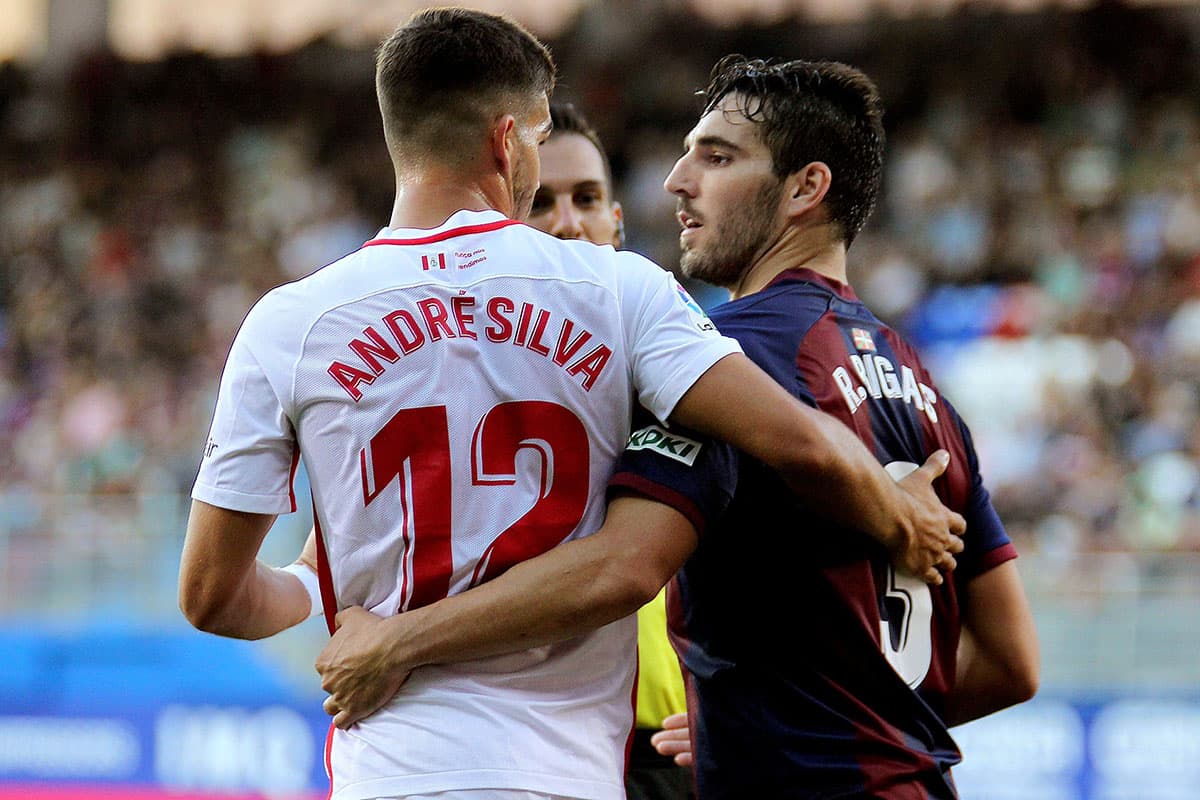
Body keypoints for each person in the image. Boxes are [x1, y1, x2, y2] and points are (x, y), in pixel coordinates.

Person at [178, 9, 965, 799]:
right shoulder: (617, 292)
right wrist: (902, 516)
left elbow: (212, 597)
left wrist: (321, 590)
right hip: (565, 772)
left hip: (392, 771)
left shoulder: (291, 322)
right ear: (508, 139)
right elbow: (799, 442)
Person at [528, 101, 692, 800]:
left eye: (586, 199)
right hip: (525, 740)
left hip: (663, 745)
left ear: (616, 222)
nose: (568, 221)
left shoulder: (684, 365)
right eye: (540, 203)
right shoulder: (455, 373)